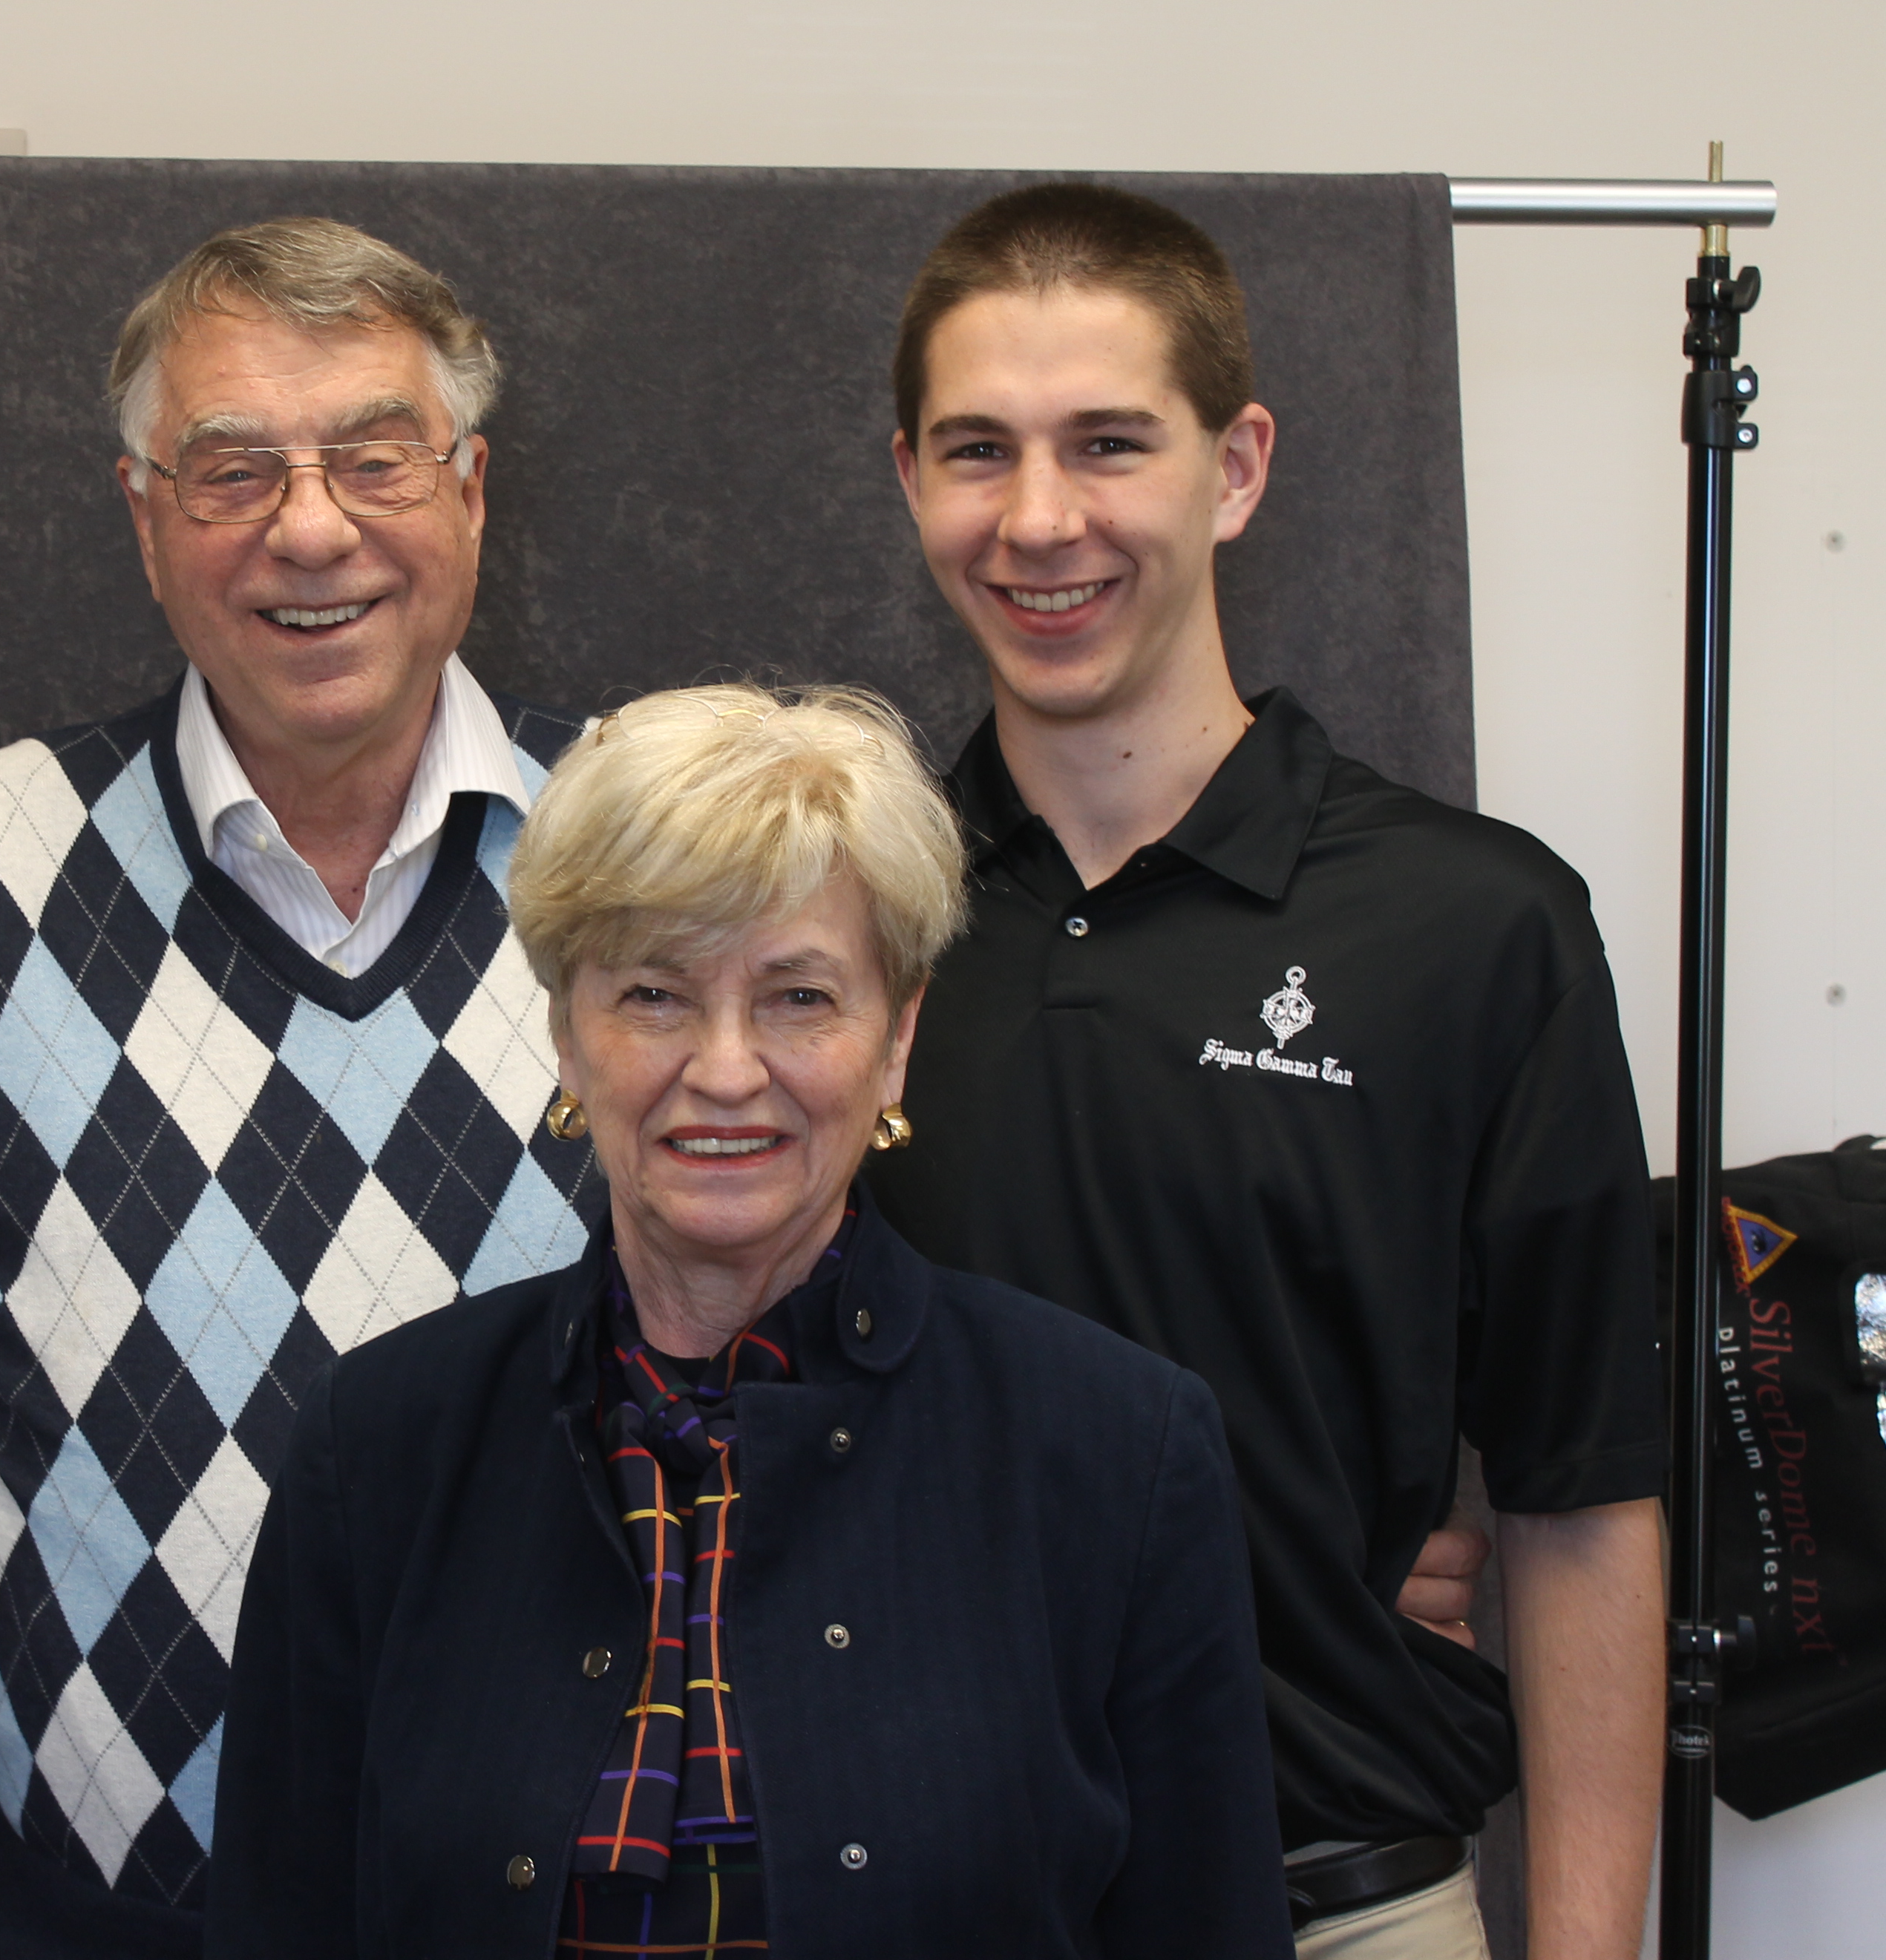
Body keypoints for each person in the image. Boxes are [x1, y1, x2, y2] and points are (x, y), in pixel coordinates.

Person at [0, 217, 604, 1957]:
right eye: (231, 470)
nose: (310, 525)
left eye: (376, 456)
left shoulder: (644, 853)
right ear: (145, 517)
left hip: (588, 1899)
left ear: (472, 494)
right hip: (113, 1923)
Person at [863, 181, 1665, 1957]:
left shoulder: (1478, 927)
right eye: (980, 448)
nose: (1041, 516)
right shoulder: (844, 922)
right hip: (907, 1892)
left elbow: (1582, 1492)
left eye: (1109, 443)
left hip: (1345, 1902)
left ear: (1235, 469)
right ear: (910, 474)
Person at [206, 682, 1291, 1958]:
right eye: (656, 995)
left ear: (896, 1043)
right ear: (566, 1035)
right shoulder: (379, 1445)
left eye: (798, 997)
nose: (725, 1070)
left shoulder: (1118, 1453)